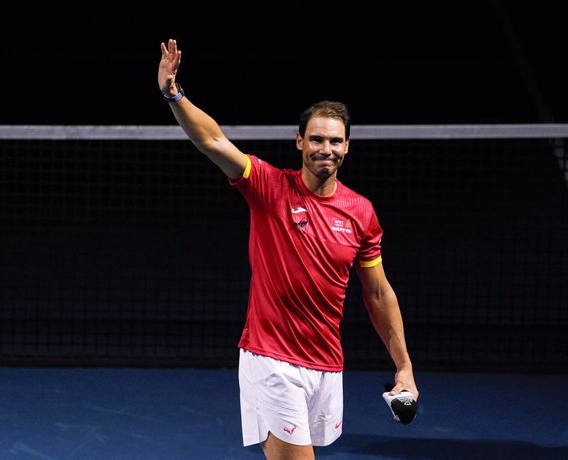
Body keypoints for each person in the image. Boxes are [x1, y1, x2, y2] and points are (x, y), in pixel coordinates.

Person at [158, 38, 419, 459]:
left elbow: (377, 292)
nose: (326, 149)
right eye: (316, 139)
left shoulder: (361, 213)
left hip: (327, 364)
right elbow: (213, 141)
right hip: (271, 358)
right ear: (299, 141)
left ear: (347, 146)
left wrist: (403, 365)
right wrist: (173, 94)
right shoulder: (268, 187)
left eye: (335, 142)